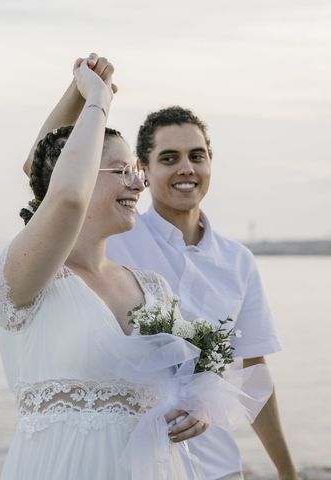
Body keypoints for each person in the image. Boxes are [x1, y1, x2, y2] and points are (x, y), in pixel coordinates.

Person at [0, 54, 198, 479]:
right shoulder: (26, 279)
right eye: (122, 170)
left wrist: (196, 410)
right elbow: (63, 192)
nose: (139, 184)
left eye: (137, 170)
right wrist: (95, 99)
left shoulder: (154, 287)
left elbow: (184, 384)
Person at [106, 106, 297, 480]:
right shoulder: (113, 243)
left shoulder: (238, 261)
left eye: (197, 156)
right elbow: (48, 183)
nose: (186, 168)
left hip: (217, 467)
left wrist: (288, 472)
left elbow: (253, 372)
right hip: (134, 463)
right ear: (142, 170)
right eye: (169, 158)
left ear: (210, 163)